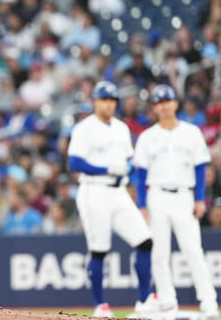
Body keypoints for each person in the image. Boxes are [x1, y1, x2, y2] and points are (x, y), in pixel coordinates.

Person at [67, 81, 154, 318]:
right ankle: (100, 306)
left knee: (145, 241)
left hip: (119, 192)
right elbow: (74, 162)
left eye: (112, 99)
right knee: (99, 250)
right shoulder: (84, 128)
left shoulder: (121, 128)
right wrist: (107, 168)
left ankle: (145, 301)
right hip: (94, 191)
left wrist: (128, 174)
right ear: (94, 101)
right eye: (104, 99)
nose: (109, 103)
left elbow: (129, 162)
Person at [134, 85, 220, 318]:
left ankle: (209, 303)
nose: (164, 106)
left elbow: (201, 167)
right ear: (155, 107)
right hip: (157, 196)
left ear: (175, 103)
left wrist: (200, 198)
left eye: (167, 101)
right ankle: (167, 301)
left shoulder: (191, 132)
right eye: (159, 102)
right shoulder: (147, 137)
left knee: (193, 250)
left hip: (184, 195)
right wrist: (142, 204)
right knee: (159, 253)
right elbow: (141, 176)